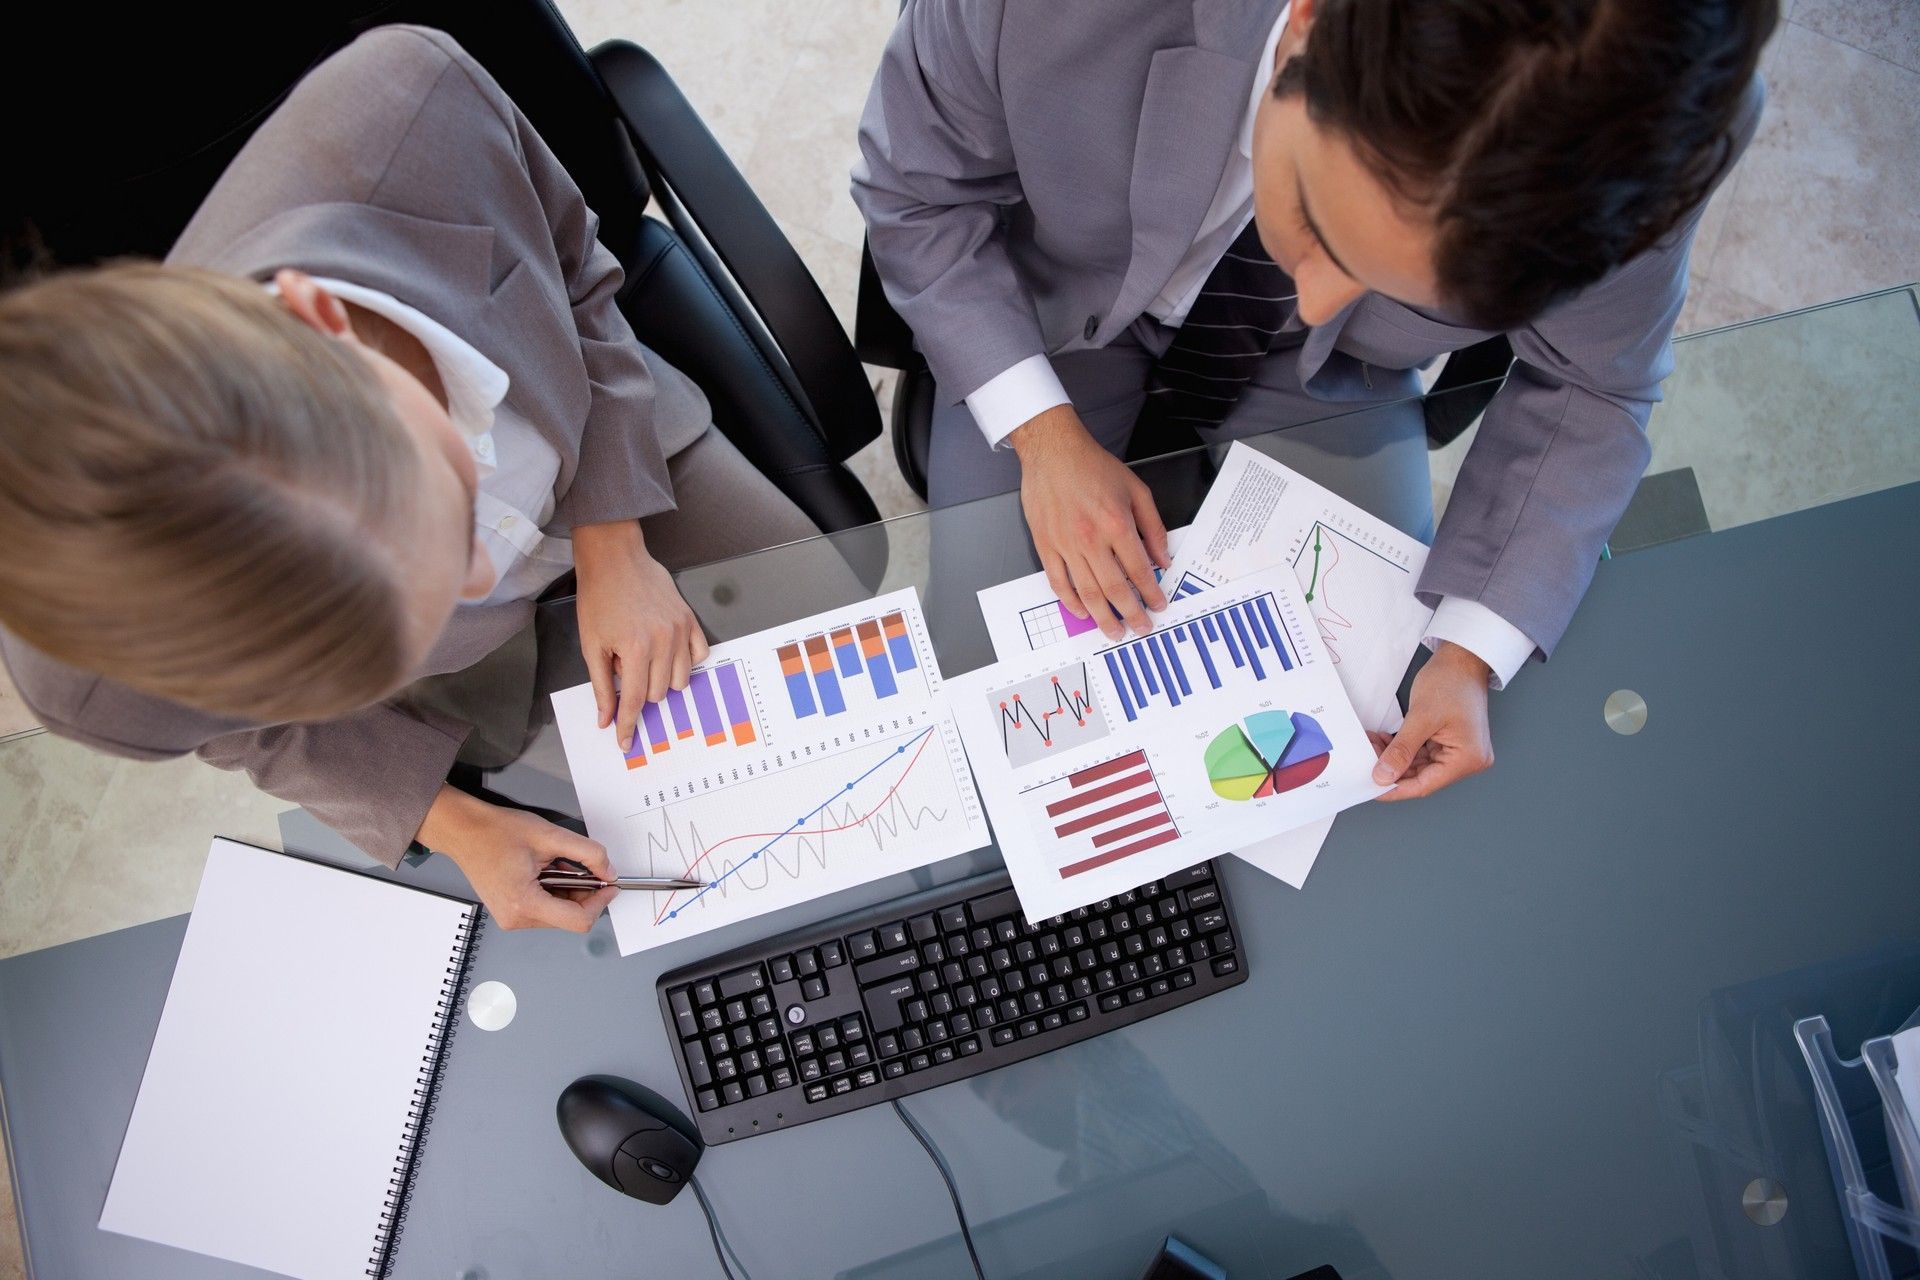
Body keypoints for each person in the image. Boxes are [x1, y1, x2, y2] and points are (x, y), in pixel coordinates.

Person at [0, 26, 822, 931]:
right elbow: (244, 727)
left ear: (322, 321)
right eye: (413, 605)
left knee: (843, 666)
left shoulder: (419, 108)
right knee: (678, 867)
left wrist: (612, 541)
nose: (482, 580)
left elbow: (580, 270)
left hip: (606, 451)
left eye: (444, 504)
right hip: (479, 683)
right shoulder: (88, 682)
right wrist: (455, 823)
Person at [854, 0, 1772, 802]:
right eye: (1323, 228)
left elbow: (1595, 381)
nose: (1318, 303)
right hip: (1050, 312)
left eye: (1403, 283)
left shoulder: (1646, 133)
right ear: (1307, 22)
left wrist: (1467, 655)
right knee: (991, 713)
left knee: (1358, 726)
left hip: (1336, 377)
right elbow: (914, 192)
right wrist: (1043, 435)